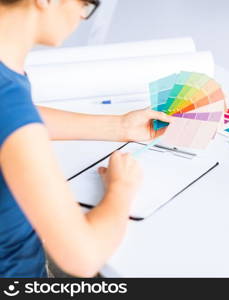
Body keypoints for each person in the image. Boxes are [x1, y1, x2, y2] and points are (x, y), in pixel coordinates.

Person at [0, 0, 171, 277]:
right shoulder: (9, 102)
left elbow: (16, 119)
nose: (83, 15)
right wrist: (121, 188)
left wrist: (119, 126)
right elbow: (83, 257)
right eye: (87, 3)